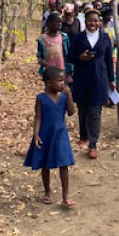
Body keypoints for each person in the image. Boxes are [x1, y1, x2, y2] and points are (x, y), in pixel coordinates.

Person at [24, 67, 76, 207]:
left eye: (63, 81)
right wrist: (36, 134)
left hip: (60, 134)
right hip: (45, 134)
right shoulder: (41, 98)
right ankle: (47, 192)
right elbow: (38, 117)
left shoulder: (64, 97)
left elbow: (71, 112)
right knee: (45, 164)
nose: (62, 84)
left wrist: (70, 95)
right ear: (48, 83)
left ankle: (66, 196)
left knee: (64, 164)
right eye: (59, 81)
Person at [68, 9, 116, 159]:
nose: (93, 23)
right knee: (83, 109)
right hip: (82, 78)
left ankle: (93, 144)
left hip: (99, 79)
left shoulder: (105, 38)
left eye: (96, 21)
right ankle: (83, 136)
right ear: (85, 22)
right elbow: (70, 57)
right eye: (90, 20)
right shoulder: (78, 38)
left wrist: (111, 79)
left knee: (95, 112)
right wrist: (80, 57)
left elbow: (109, 60)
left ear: (100, 22)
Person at [37, 12, 72, 84]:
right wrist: (41, 61)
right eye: (57, 21)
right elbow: (39, 54)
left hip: (62, 69)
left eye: (61, 22)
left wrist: (70, 69)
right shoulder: (43, 38)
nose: (59, 24)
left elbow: (68, 53)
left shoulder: (64, 37)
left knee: (62, 88)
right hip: (49, 71)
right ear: (49, 23)